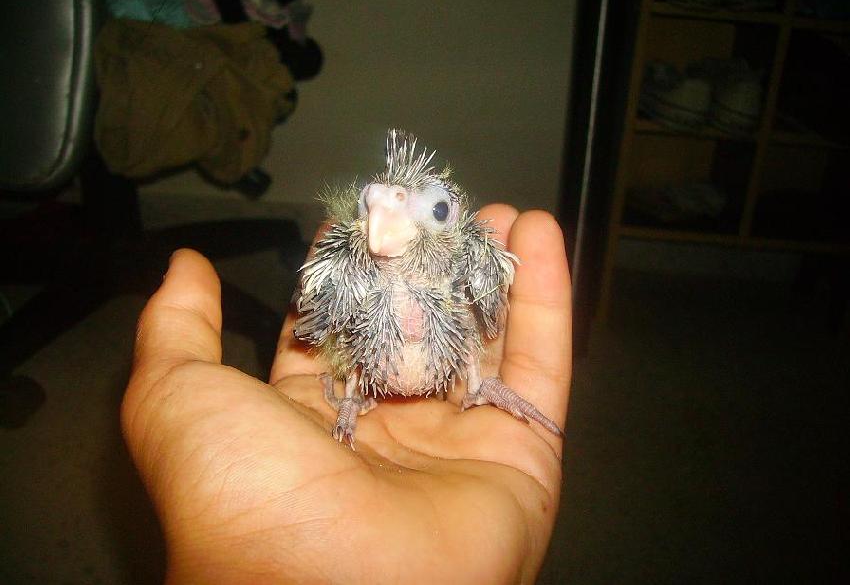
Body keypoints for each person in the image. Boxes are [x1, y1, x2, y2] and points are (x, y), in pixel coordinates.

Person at [122, 204, 572, 583]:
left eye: (434, 210)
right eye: (370, 207)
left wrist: (477, 380)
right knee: (354, 336)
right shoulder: (357, 278)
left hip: (449, 363)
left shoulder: (460, 266)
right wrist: (352, 396)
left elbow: (476, 310)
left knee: (468, 323)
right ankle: (355, 396)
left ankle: (477, 383)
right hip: (373, 372)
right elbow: (348, 339)